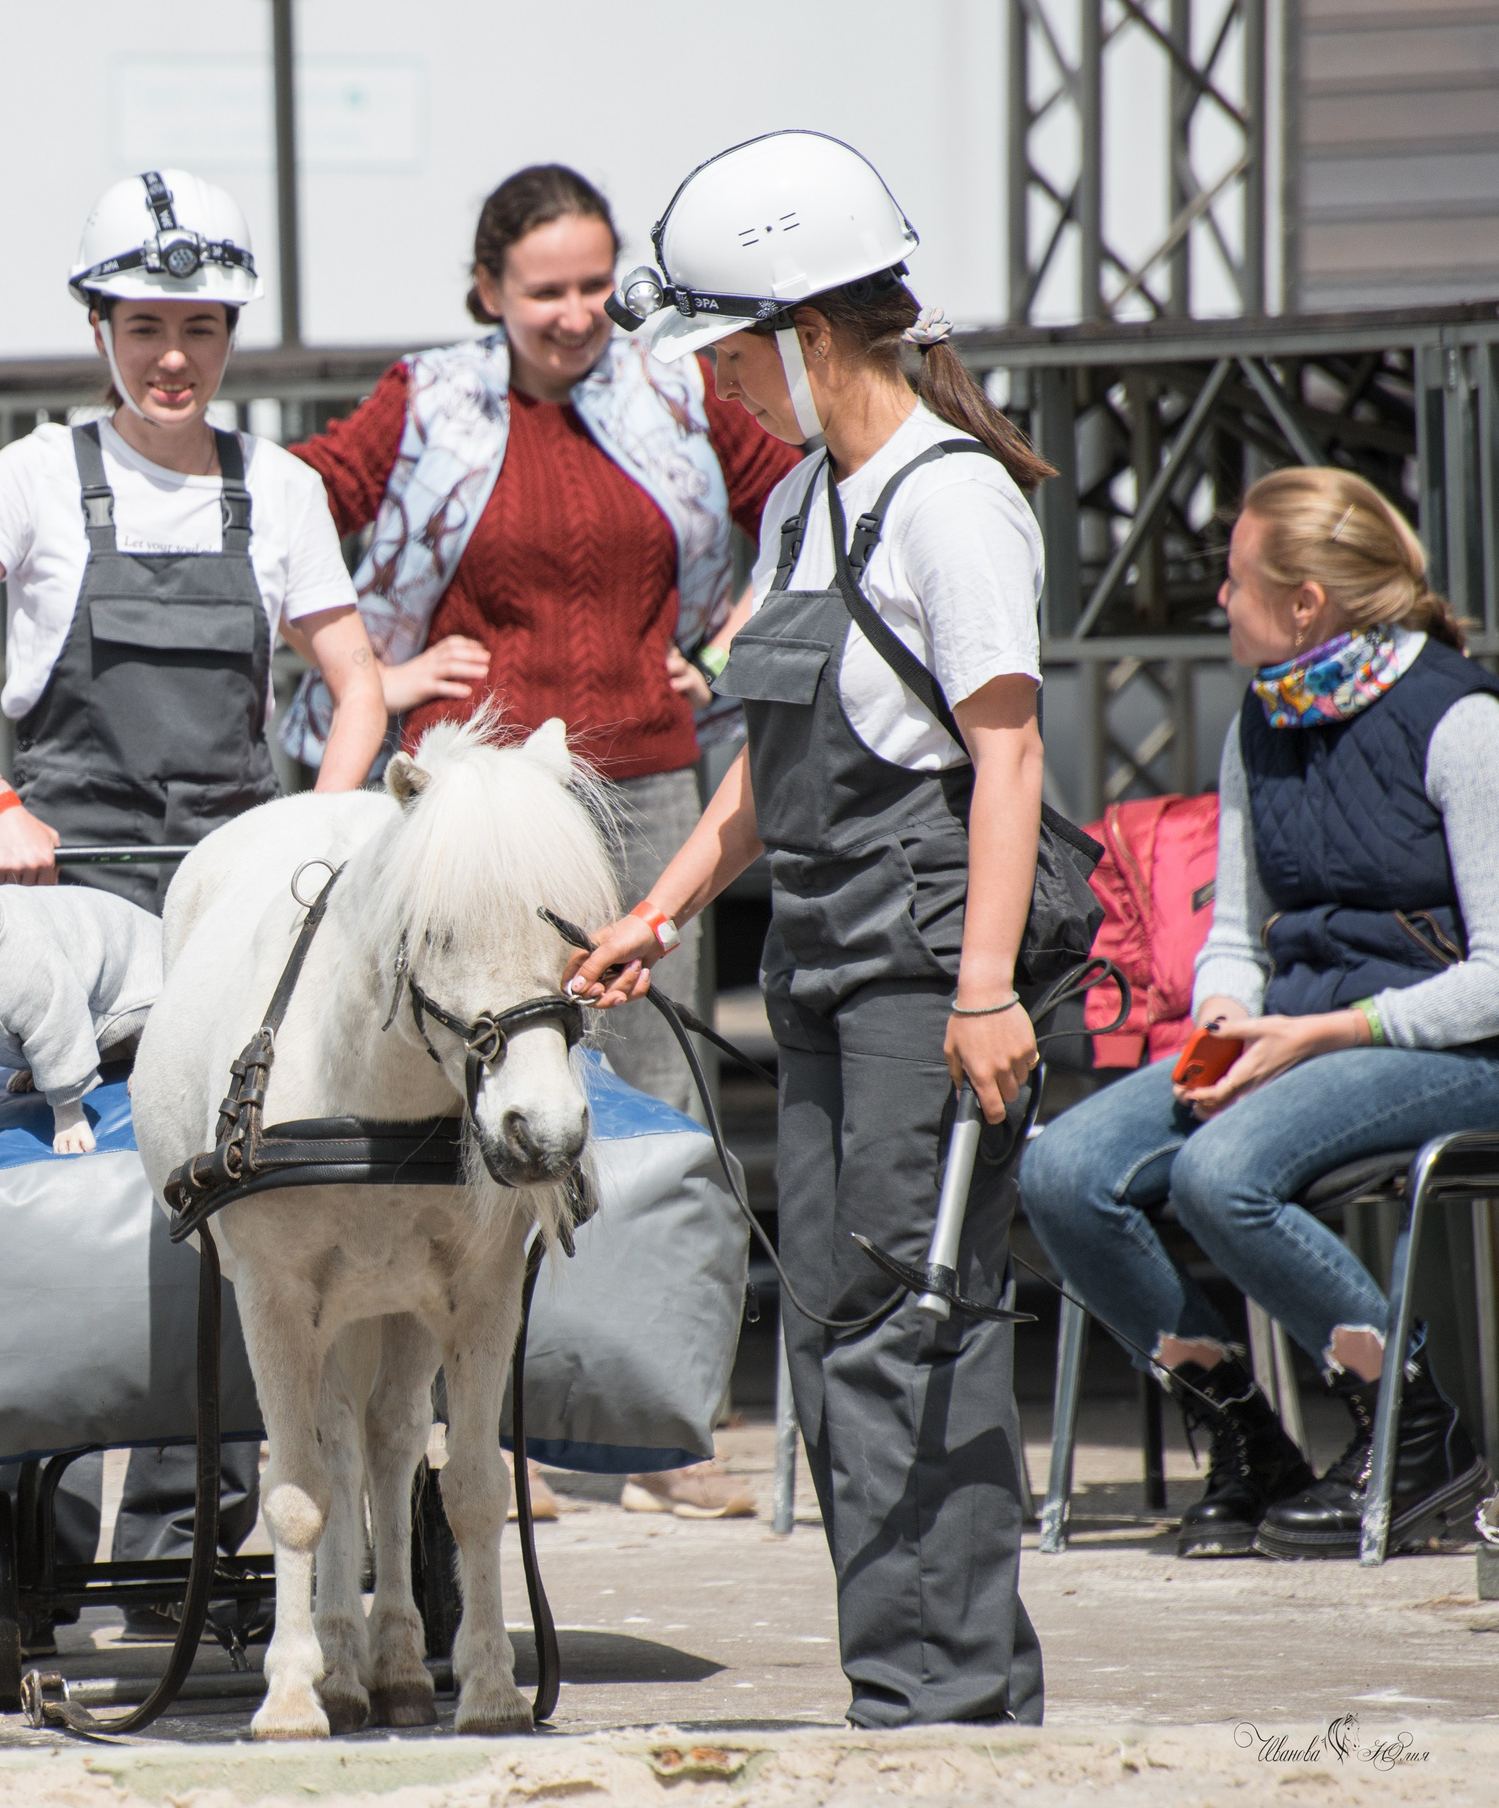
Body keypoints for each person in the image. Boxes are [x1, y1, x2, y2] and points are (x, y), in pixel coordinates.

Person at [564, 130, 1077, 1726]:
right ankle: (907, 1679)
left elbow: (1008, 756)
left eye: (730, 350)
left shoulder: (951, 502)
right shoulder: (803, 503)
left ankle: (948, 1698)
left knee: (920, 1319)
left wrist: (983, 991)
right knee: (839, 1319)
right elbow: (766, 756)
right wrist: (659, 907)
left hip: (923, 961)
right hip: (817, 947)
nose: (721, 382)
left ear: (804, 331)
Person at [0, 168, 385, 1618]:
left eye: (202, 328)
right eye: (147, 325)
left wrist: (316, 829)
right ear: (97, 325)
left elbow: (355, 686)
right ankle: (32, 1538)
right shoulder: (32, 478)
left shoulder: (281, 490)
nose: (174, 357)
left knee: (228, 1203)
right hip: (62, 893)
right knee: (52, 1209)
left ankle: (185, 1550)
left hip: (227, 905)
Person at [1021, 467, 1498, 1561]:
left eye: (1234, 581)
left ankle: (1411, 1422)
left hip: (1453, 1042)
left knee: (1218, 1173)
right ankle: (1242, 1431)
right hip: (1296, 1031)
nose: (1219, 601)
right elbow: (1235, 930)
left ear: (1305, 602)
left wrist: (1320, 1032)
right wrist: (1225, 1021)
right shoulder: (1263, 716)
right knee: (1061, 1170)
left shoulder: (1463, 721)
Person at [287, 164, 798, 1122]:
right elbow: (283, 513)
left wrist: (726, 653)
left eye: (595, 284)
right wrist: (375, 677)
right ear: (488, 290)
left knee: (657, 1081)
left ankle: (657, 1229)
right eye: (545, 291)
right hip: (473, 805)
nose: (577, 314)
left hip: (644, 788)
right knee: (475, 1069)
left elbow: (809, 507)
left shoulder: (681, 385)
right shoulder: (429, 397)